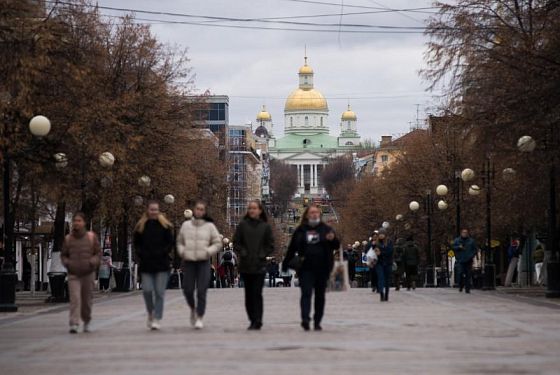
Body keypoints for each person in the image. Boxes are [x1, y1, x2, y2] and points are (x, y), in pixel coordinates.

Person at [283, 204, 340, 331]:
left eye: (316, 212)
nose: (314, 214)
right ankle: (305, 319)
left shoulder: (326, 229)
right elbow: (292, 248)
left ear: (319, 215)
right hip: (305, 268)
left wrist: (333, 239)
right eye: (311, 212)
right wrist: (286, 263)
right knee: (306, 293)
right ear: (307, 215)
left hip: (323, 268)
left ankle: (317, 321)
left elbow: (336, 245)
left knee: (320, 295)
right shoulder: (301, 230)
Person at [177, 201, 221, 329]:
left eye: (202, 209)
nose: (199, 211)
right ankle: (192, 308)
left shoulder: (209, 226)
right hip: (189, 261)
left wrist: (209, 251)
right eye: (197, 209)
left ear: (204, 212)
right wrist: (182, 251)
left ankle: (200, 317)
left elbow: (217, 243)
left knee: (202, 290)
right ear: (194, 210)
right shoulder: (186, 225)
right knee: (188, 289)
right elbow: (179, 242)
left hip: (203, 262)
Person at [133, 201, 175, 330]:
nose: (154, 212)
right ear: (148, 210)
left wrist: (163, 252)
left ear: (159, 211)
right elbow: (137, 244)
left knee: (159, 292)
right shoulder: (141, 226)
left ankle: (157, 317)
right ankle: (150, 312)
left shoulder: (165, 226)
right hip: (146, 264)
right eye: (151, 209)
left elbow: (170, 243)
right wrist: (142, 254)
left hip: (162, 264)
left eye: (156, 209)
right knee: (147, 290)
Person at [234, 200, 274, 330]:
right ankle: (252, 318)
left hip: (259, 265)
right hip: (246, 265)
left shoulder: (265, 227)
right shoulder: (242, 226)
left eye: (255, 208)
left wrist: (262, 254)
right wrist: (243, 252)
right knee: (248, 294)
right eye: (250, 208)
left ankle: (258, 320)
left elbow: (270, 245)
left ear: (260, 210)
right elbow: (236, 243)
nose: (252, 210)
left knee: (257, 293)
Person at [61, 212, 101, 334]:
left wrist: (92, 262)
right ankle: (74, 323)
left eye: (79, 220)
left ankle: (87, 321)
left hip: (88, 273)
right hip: (73, 274)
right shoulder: (68, 239)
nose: (76, 223)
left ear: (84, 223)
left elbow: (98, 253)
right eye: (75, 221)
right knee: (75, 299)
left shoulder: (91, 237)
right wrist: (68, 263)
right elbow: (63, 255)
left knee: (87, 300)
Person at [453, 229, 477, 293]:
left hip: (469, 260)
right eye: (463, 233)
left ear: (467, 233)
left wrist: (471, 256)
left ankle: (467, 288)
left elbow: (475, 250)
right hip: (460, 260)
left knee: (468, 274)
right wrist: (458, 247)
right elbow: (453, 247)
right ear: (461, 233)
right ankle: (461, 285)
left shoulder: (471, 241)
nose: (465, 234)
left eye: (466, 233)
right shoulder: (457, 240)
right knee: (460, 273)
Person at [374, 229, 393, 302]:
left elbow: (390, 251)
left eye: (382, 234)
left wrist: (381, 253)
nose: (381, 235)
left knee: (387, 280)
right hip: (379, 263)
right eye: (380, 234)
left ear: (385, 235)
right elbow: (375, 252)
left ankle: (386, 295)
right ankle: (381, 293)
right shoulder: (377, 243)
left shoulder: (389, 242)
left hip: (388, 263)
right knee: (380, 278)